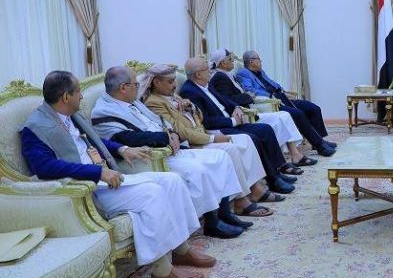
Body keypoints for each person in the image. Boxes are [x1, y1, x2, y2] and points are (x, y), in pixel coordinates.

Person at [21, 71, 214, 278]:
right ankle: (162, 272)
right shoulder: (35, 127)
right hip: (87, 189)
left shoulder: (70, 115)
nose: (82, 97)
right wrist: (97, 173)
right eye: (78, 92)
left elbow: (96, 140)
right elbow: (43, 167)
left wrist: (122, 148)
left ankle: (181, 250)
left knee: (172, 181)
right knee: (153, 193)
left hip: (106, 178)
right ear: (66, 97)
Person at [91, 66, 249, 239]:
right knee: (198, 169)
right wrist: (166, 137)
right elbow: (127, 138)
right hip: (151, 157)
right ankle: (212, 223)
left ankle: (224, 214)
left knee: (221, 156)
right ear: (123, 87)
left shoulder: (132, 102)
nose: (139, 87)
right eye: (136, 84)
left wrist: (172, 132)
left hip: (170, 148)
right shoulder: (104, 110)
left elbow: (159, 121)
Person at [139, 64, 277, 215]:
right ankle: (241, 201)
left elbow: (200, 118)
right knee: (229, 149)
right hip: (192, 143)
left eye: (174, 81)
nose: (174, 85)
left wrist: (191, 107)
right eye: (170, 82)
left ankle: (254, 188)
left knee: (245, 139)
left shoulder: (174, 96)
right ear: (157, 82)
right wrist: (212, 138)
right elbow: (179, 131)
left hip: (201, 134)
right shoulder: (154, 102)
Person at [179, 57, 298, 195]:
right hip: (218, 129)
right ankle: (272, 179)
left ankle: (277, 171)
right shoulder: (189, 91)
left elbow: (225, 100)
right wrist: (234, 121)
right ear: (198, 74)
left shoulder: (206, 85)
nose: (211, 71)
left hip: (231, 121)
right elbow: (206, 121)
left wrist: (236, 107)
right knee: (253, 137)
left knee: (265, 129)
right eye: (207, 69)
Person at [208, 48, 319, 166]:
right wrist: (247, 96)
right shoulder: (219, 77)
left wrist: (247, 96)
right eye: (230, 59)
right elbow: (228, 100)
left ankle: (295, 154)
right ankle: (285, 158)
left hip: (251, 108)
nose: (233, 61)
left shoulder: (227, 75)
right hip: (245, 113)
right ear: (223, 63)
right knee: (280, 118)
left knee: (285, 115)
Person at [235, 50, 336, 156]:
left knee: (313, 108)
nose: (261, 61)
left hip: (282, 97)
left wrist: (283, 91)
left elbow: (271, 83)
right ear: (251, 61)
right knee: (298, 114)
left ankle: (320, 140)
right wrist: (270, 95)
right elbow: (249, 90)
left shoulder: (260, 71)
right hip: (271, 103)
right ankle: (320, 146)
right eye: (259, 59)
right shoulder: (243, 74)